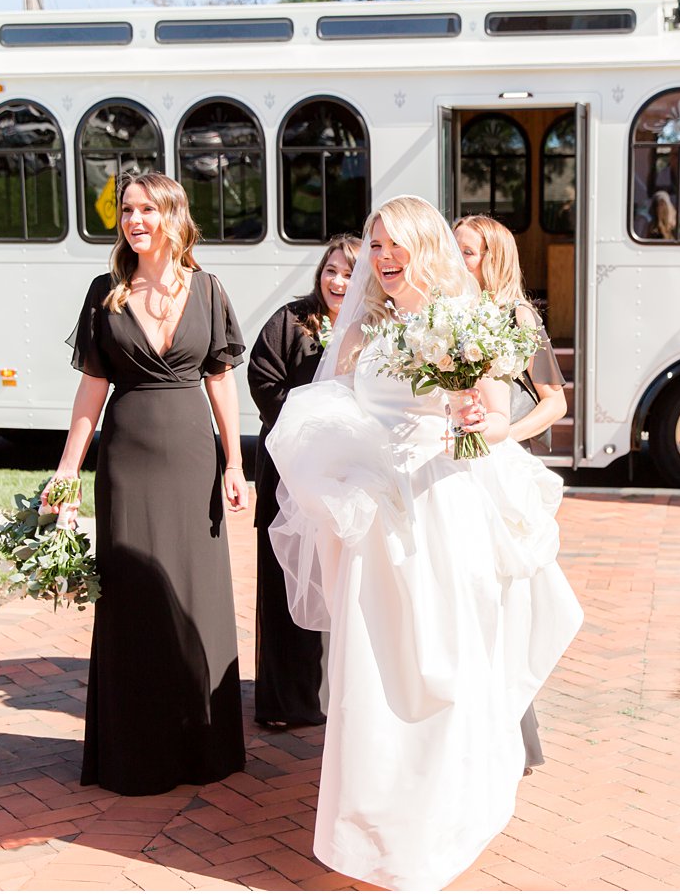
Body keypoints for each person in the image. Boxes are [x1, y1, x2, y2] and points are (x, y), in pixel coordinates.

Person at [265, 195, 583, 891]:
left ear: (423, 246)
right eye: (375, 247)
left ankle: (441, 814)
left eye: (393, 246)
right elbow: (334, 414)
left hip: (442, 501)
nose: (381, 260)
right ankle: (373, 821)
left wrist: (468, 421)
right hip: (376, 515)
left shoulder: (464, 324)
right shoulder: (361, 333)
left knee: (443, 657)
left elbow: (495, 420)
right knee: (374, 666)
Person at [45, 171, 249, 797]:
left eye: (146, 210)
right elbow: (92, 389)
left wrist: (235, 462)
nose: (134, 221)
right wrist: (67, 468)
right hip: (128, 461)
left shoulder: (209, 290)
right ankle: (136, 752)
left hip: (193, 458)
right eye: (127, 211)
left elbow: (220, 380)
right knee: (132, 598)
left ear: (172, 217)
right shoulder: (104, 293)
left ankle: (202, 745)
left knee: (196, 594)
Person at [453, 214, 569, 776]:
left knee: (503, 600)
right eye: (453, 250)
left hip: (498, 468)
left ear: (493, 258)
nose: (458, 260)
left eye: (468, 252)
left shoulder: (517, 316)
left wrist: (504, 438)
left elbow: (554, 401)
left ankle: (513, 733)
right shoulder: (443, 311)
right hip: (450, 466)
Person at [247, 233, 360, 729]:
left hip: (350, 477)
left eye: (350, 271)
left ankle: (342, 699)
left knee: (342, 582)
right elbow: (263, 380)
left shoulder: (380, 329)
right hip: (288, 471)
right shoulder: (291, 321)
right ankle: (286, 701)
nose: (338, 280)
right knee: (285, 578)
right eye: (331, 269)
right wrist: (306, 430)